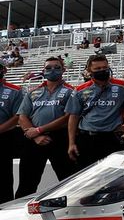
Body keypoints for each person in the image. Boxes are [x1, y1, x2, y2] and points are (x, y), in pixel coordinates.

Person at [16, 57, 75, 197]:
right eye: (48, 68)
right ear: (43, 71)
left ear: (63, 70)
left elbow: (68, 117)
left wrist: (39, 130)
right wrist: (36, 135)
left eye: (56, 67)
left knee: (68, 180)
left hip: (60, 139)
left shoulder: (71, 91)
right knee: (26, 183)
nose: (52, 70)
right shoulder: (33, 92)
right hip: (34, 139)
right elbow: (22, 116)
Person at [66, 55, 124, 171]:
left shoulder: (122, 86)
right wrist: (71, 143)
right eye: (97, 69)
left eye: (104, 67)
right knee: (86, 176)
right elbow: (73, 117)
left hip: (112, 138)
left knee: (114, 176)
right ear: (89, 71)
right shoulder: (80, 90)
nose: (102, 71)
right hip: (87, 138)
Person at [0, 63, 24, 203]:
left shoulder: (14, 90)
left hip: (4, 138)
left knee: (3, 177)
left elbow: (17, 116)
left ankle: (4, 210)